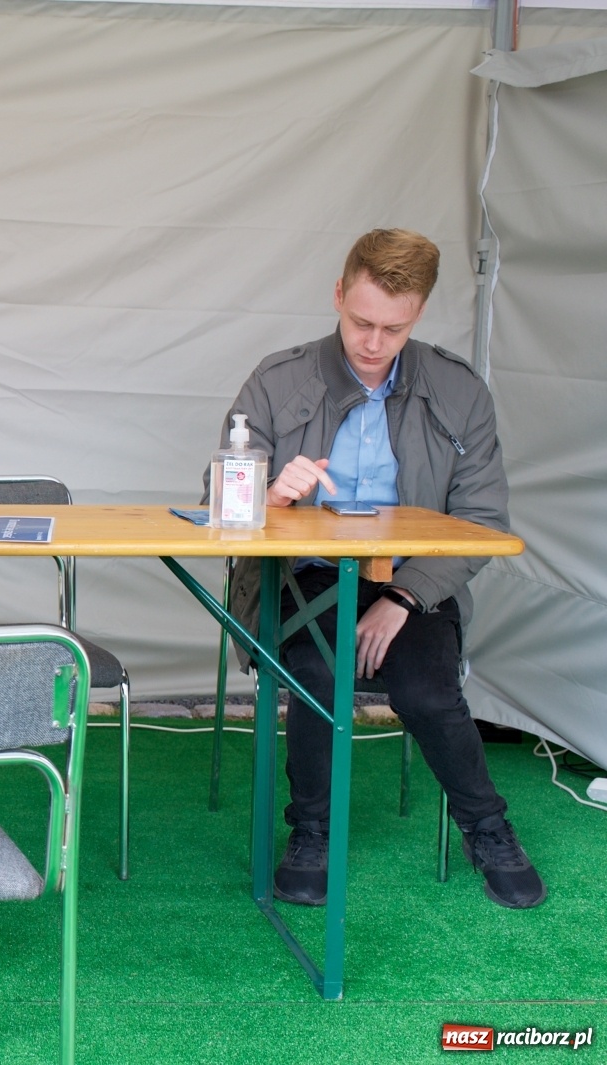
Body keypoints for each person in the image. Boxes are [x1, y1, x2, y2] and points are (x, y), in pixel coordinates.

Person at [215, 228, 544, 910]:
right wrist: (269, 496)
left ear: (418, 312)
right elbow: (218, 508)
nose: (372, 342)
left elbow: (483, 524)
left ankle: (489, 829)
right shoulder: (278, 380)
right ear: (338, 295)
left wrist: (404, 594)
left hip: (413, 580)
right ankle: (310, 831)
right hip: (302, 573)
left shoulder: (459, 392)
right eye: (361, 321)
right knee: (313, 677)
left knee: (427, 692)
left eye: (393, 328)